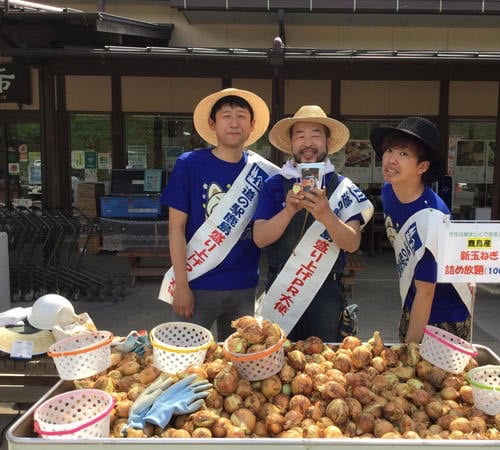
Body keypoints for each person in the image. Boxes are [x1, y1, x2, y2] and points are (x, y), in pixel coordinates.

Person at [158, 88, 278, 341]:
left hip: (244, 285)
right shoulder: (189, 164)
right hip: (197, 283)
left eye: (241, 116)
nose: (234, 123)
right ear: (212, 123)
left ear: (252, 124)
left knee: (237, 367)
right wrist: (181, 285)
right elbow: (175, 228)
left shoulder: (262, 172)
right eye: (226, 116)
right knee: (186, 359)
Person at [253, 105, 373, 341]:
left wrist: (327, 215)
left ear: (328, 141)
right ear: (291, 143)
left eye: (316, 135)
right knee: (278, 364)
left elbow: (352, 243)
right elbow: (260, 238)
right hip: (282, 290)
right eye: (300, 135)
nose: (308, 143)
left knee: (326, 367)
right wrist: (288, 211)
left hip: (327, 295)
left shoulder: (342, 187)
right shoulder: (275, 184)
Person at [369, 117, 473, 343]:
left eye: (403, 154)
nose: (391, 159)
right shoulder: (389, 191)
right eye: (389, 150)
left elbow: (427, 292)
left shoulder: (432, 220)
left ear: (422, 167)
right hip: (412, 302)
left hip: (445, 316)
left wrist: (410, 348)